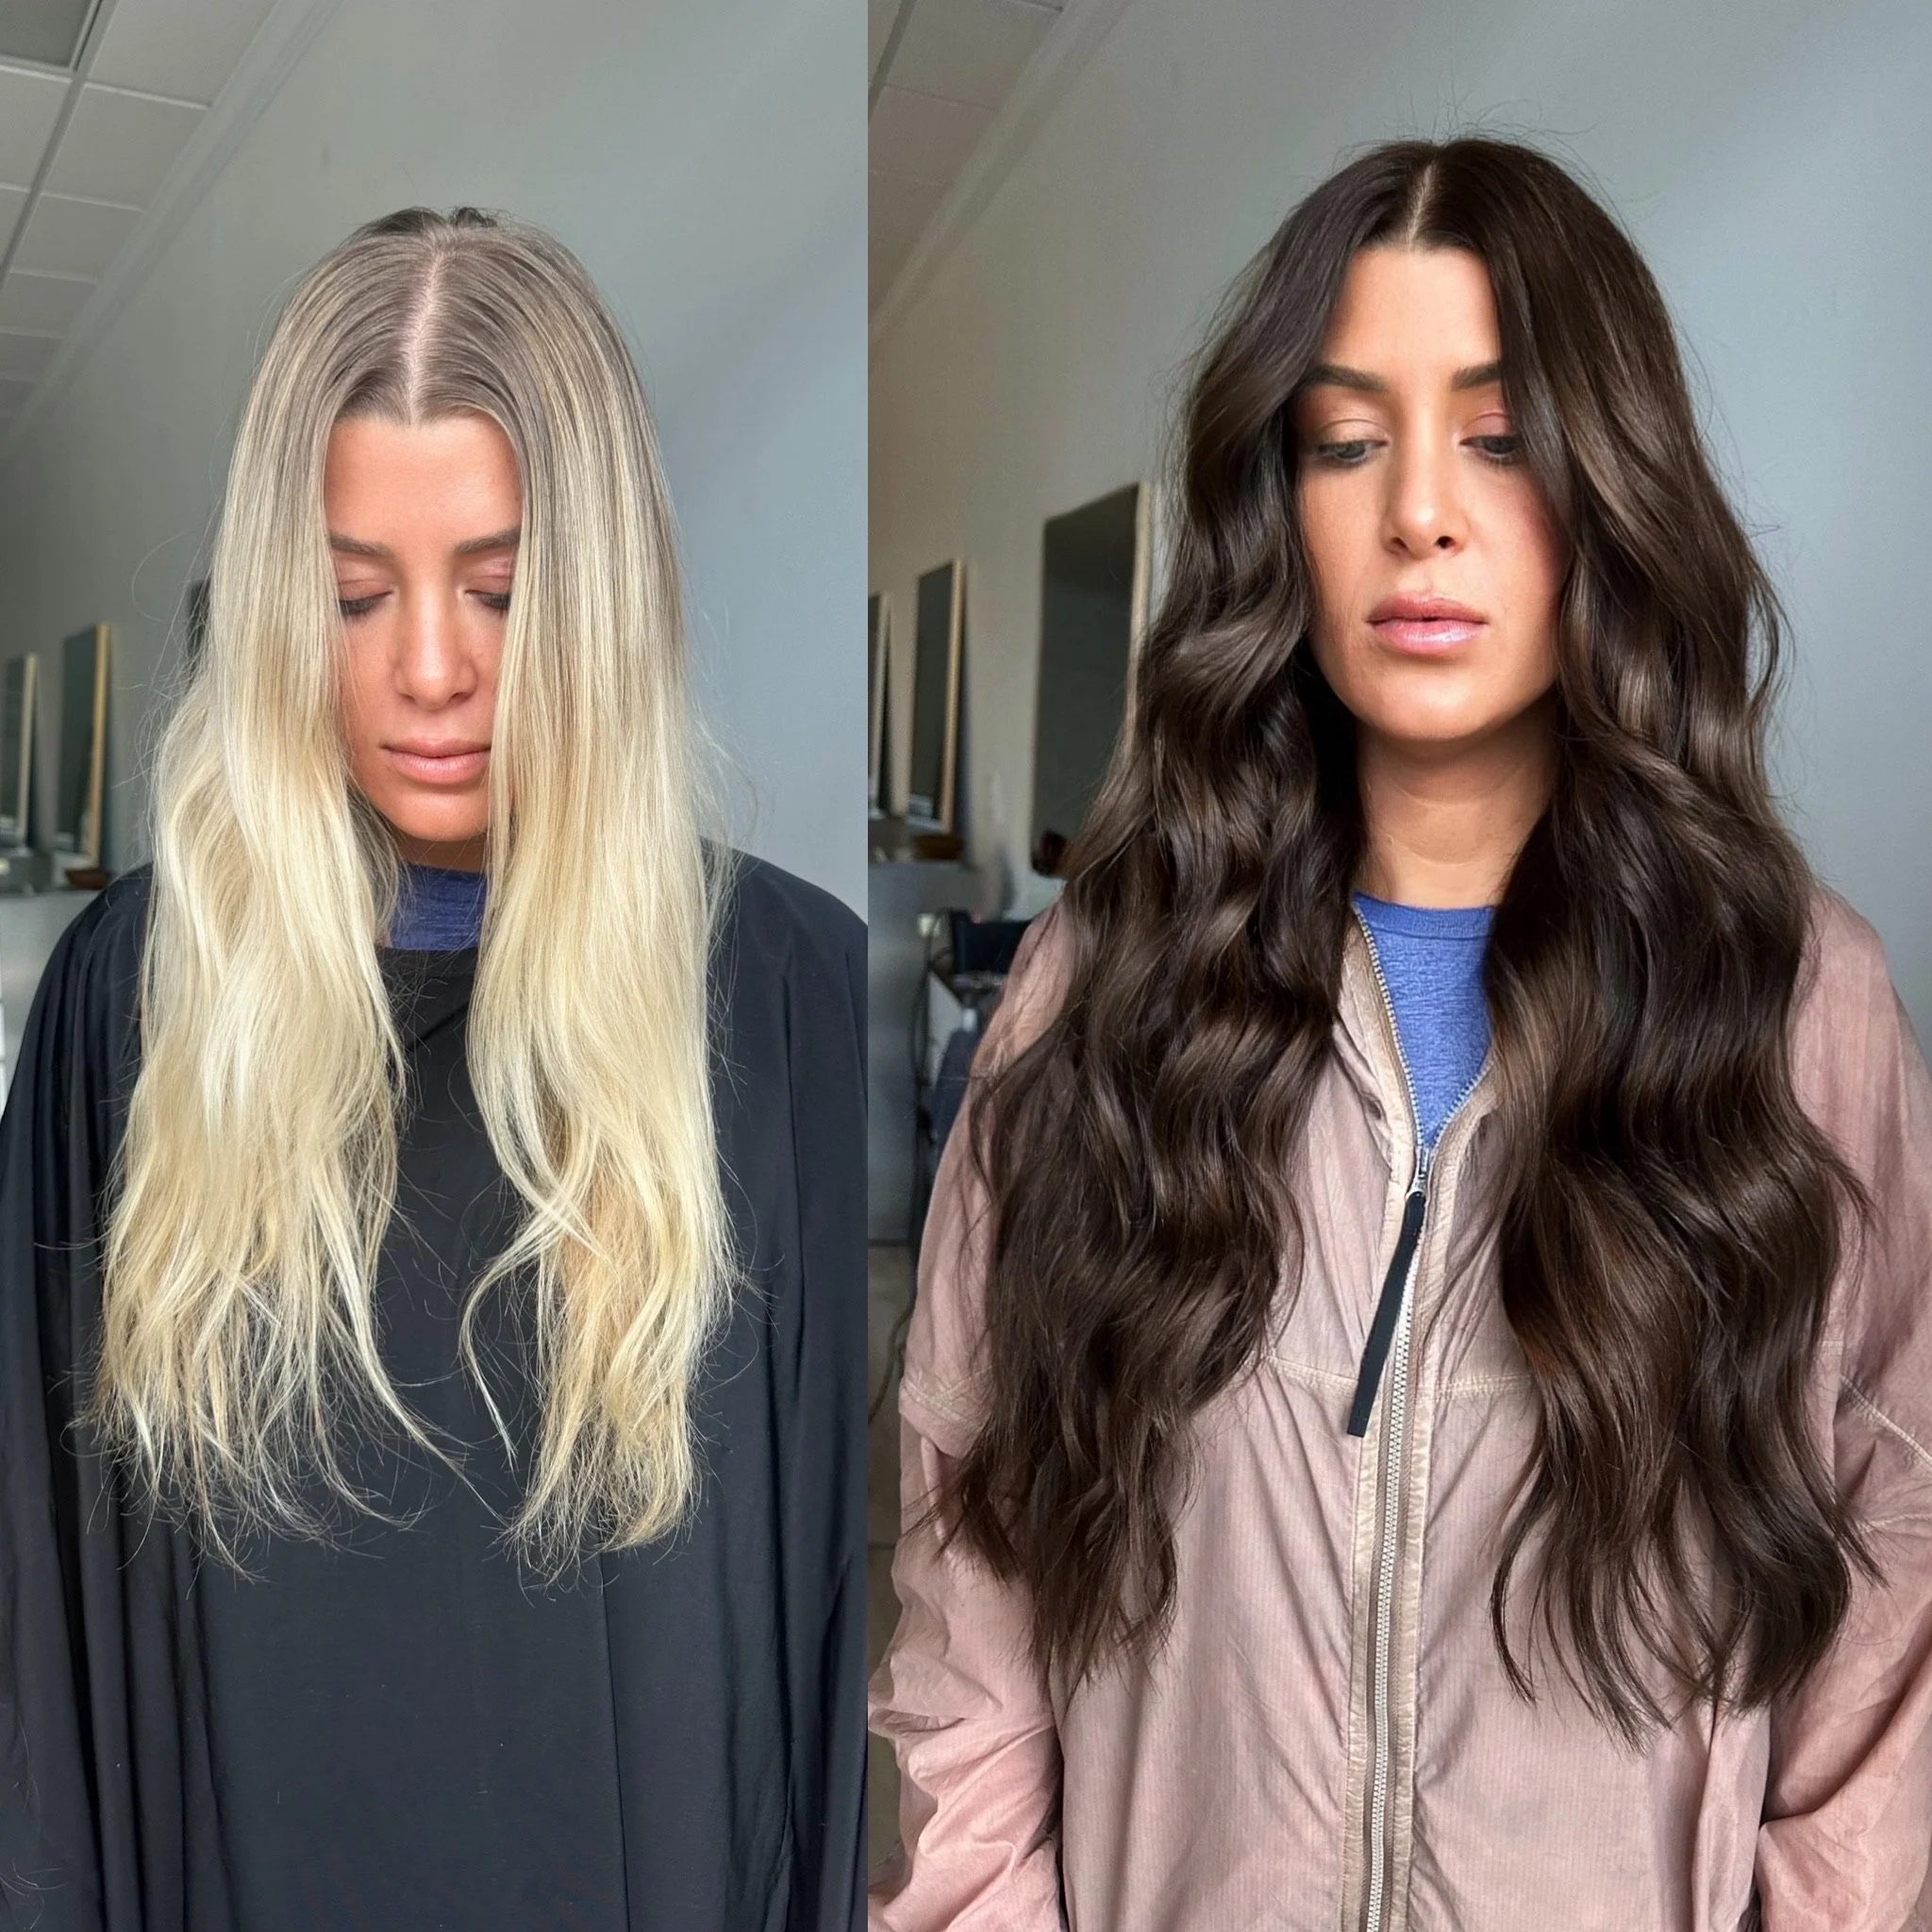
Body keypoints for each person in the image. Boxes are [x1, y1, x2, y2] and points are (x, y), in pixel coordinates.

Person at [869, 138, 1932, 1929]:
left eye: (1499, 437)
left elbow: (1885, 1631)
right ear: (1275, 498)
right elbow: (973, 1587)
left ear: (1612, 483)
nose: (1417, 511)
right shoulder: (1102, 993)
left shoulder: (1794, 1011)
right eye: (1346, 438)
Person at [0, 208, 867, 1931]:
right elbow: (43, 1652)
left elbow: (835, 1641)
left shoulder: (783, 999)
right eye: (350, 593)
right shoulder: (130, 1003)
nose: (428, 671)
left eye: (497, 585)